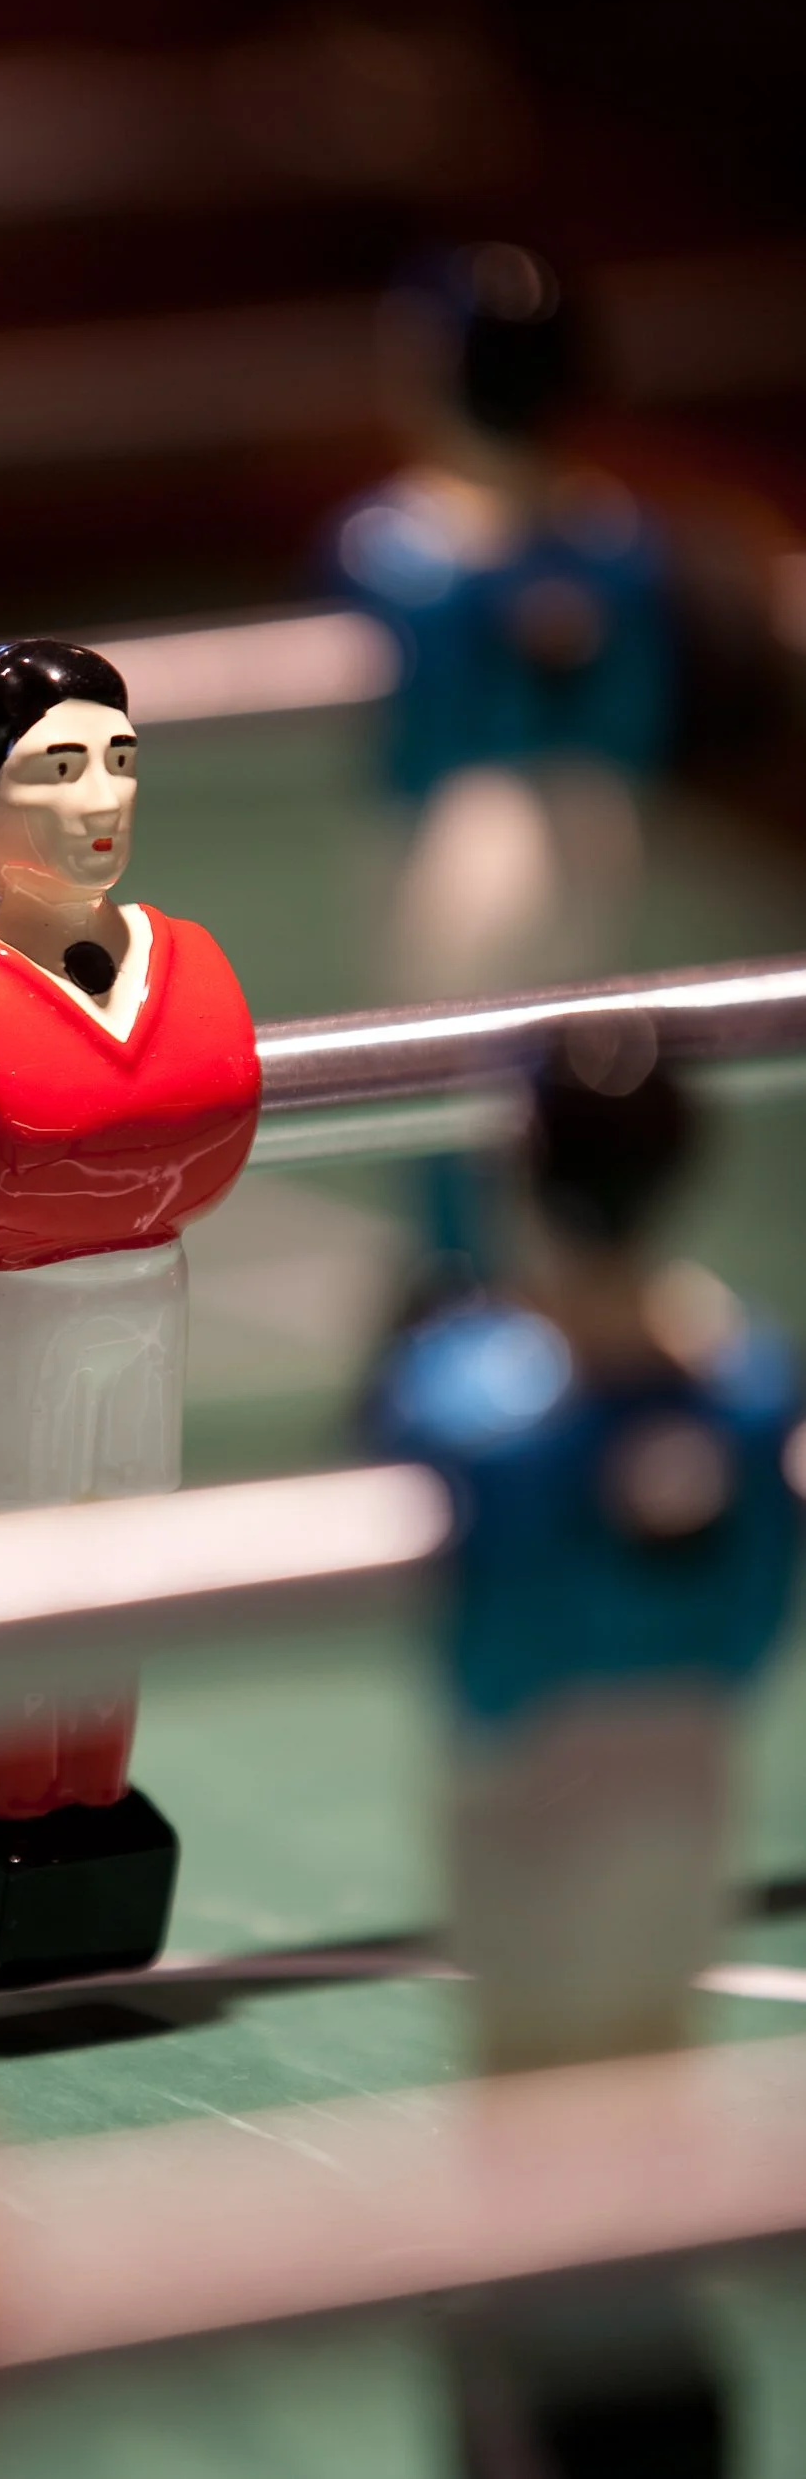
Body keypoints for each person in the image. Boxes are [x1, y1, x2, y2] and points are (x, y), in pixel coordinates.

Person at [372, 1017, 800, 2473]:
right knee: (642, 2055)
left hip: (539, 1777)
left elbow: (474, 1636)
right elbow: (750, 1610)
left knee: (538, 2074)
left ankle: (543, 2385)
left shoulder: (475, 1395)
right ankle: (622, 2350)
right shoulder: (741, 1371)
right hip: (679, 1760)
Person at [0, 638, 261, 1991]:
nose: (101, 801)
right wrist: (102, 1175)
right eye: (56, 769)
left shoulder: (180, 958)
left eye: (120, 762)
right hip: (1, 1326)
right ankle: (4, 1818)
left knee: (117, 1573)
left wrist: (64, 1174)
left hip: (136, 1305)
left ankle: (94, 1804)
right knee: (7, 1580)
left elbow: (177, 1131)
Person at [332, 243, 673, 1285]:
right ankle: (488, 1270)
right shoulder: (600, 535)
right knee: (496, 1069)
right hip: (575, 823)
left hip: (485, 836)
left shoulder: (413, 547)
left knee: (470, 1069)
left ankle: (472, 1278)